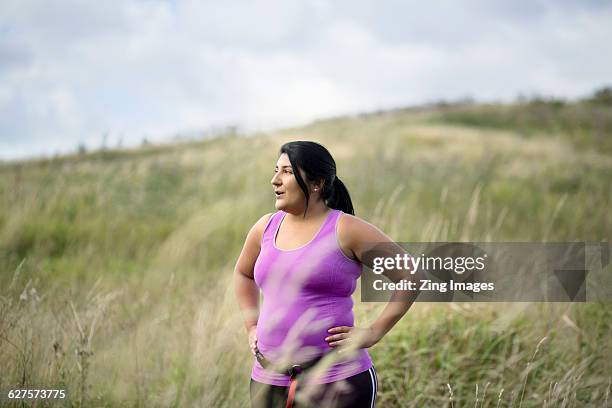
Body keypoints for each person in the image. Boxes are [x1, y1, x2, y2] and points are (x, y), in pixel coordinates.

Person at [234, 141, 418, 408]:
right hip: (268, 379)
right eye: (276, 170)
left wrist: (373, 333)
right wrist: (251, 325)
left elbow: (410, 275)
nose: (275, 180)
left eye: (286, 172)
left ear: (316, 183)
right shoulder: (265, 227)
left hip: (338, 381)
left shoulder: (346, 229)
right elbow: (243, 273)